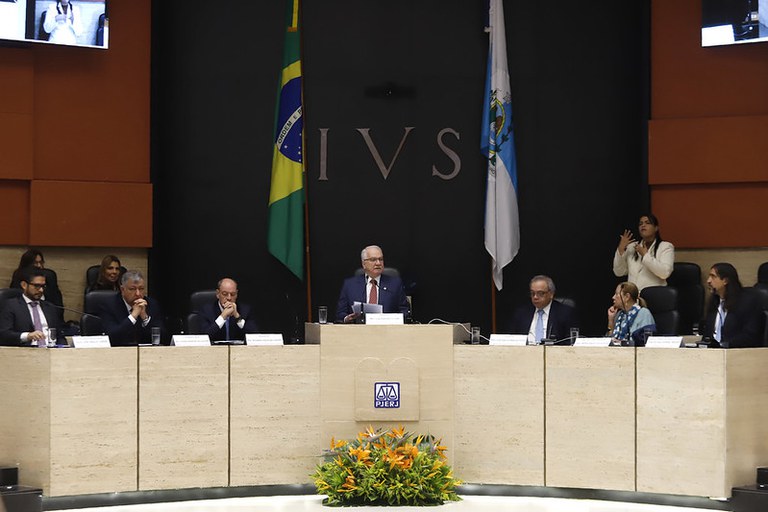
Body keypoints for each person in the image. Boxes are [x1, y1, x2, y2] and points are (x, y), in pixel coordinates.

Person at [336, 245, 409, 323]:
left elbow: (405, 312)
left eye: (380, 259)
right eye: (373, 259)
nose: (378, 263)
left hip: (387, 330)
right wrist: (347, 318)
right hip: (358, 331)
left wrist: (393, 319)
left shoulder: (395, 284)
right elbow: (340, 313)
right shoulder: (350, 285)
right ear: (364, 263)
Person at [96, 269, 163, 346]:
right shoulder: (108, 305)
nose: (138, 294)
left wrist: (145, 319)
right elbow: (111, 337)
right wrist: (133, 316)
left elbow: (163, 337)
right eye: (132, 289)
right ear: (122, 289)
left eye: (141, 289)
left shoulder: (151, 304)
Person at [703, 263, 763, 348]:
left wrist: (723, 345)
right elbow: (707, 336)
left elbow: (750, 336)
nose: (708, 281)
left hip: (736, 354)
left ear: (725, 281)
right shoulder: (714, 303)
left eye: (713, 276)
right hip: (712, 354)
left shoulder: (747, 302)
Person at [0, 267, 63, 346]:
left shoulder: (50, 307)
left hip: (52, 352)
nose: (41, 290)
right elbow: (4, 334)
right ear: (24, 285)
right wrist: (27, 336)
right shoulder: (11, 306)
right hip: (24, 353)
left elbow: (60, 336)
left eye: (43, 286)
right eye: (37, 286)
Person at [613, 214, 674, 291]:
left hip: (655, 295)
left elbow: (664, 273)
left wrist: (645, 255)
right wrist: (621, 249)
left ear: (656, 228)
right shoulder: (632, 247)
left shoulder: (665, 246)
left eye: (647, 223)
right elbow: (619, 272)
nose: (643, 225)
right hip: (633, 296)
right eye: (640, 224)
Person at [507, 275, 577, 343]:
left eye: (540, 293)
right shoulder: (521, 313)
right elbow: (512, 339)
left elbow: (570, 342)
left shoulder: (565, 313)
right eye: (532, 293)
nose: (535, 297)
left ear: (551, 294)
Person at [194, 278, 258, 341]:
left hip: (238, 350)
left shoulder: (245, 310)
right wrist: (222, 316)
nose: (229, 298)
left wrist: (237, 317)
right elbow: (204, 338)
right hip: (214, 350)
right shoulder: (206, 310)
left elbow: (254, 337)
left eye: (233, 294)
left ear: (237, 294)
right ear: (218, 294)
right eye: (225, 294)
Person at [9, 248, 64, 321]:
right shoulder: (19, 276)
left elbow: (58, 306)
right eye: (35, 263)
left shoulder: (50, 276)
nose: (38, 266)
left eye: (41, 262)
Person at [607, 281, 656, 346]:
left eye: (616, 294)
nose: (613, 297)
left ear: (627, 297)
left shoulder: (644, 313)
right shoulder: (619, 315)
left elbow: (645, 341)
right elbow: (609, 340)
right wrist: (611, 320)